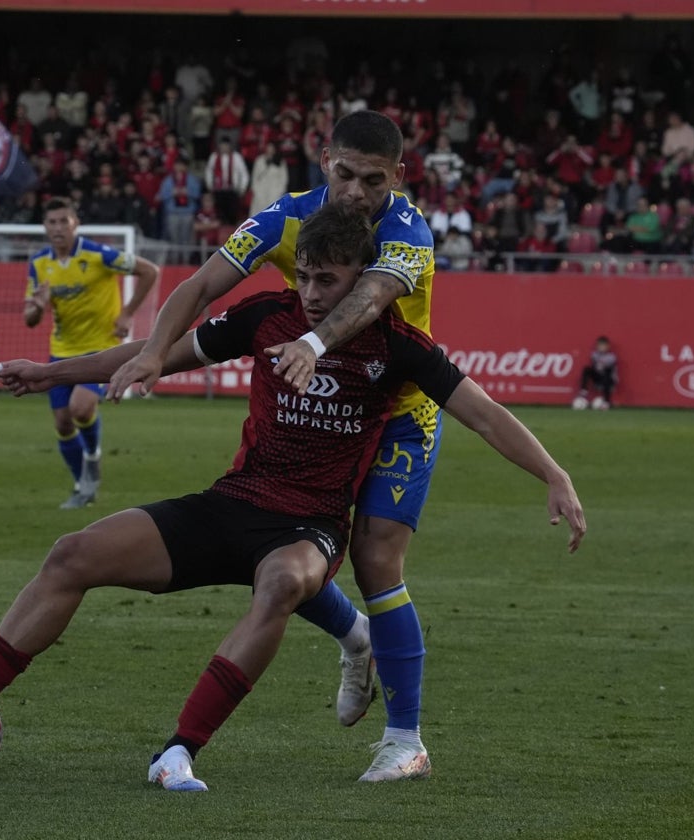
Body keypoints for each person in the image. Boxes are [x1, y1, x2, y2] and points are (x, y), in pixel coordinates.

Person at [0, 204, 587, 792]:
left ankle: (178, 752)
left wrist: (554, 474)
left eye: (328, 280)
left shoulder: (399, 345)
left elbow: (484, 411)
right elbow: (157, 355)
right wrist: (54, 373)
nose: (310, 293)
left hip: (309, 524)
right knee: (72, 554)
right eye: (304, 276)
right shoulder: (265, 316)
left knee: (283, 584)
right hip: (232, 501)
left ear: (363, 278)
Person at [105, 110, 446, 781]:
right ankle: (356, 639)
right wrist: (150, 353)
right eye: (343, 173)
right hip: (314, 396)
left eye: (371, 180)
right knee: (279, 539)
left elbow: (374, 297)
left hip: (397, 409)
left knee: (378, 560)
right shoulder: (286, 216)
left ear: (399, 177)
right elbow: (204, 285)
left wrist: (313, 343)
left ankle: (405, 742)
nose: (354, 191)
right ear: (323, 159)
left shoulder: (407, 231)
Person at [24, 197, 160, 509]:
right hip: (61, 350)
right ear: (45, 227)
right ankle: (81, 486)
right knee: (62, 423)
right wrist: (39, 305)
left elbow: (149, 271)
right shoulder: (39, 264)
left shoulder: (98, 254)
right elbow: (29, 320)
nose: (58, 228)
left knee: (81, 408)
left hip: (102, 349)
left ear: (76, 224)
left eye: (64, 221)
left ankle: (93, 457)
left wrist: (127, 313)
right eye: (52, 222)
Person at [573, 336, 618, 409]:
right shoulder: (595, 355)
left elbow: (609, 369)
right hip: (598, 377)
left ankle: (607, 401)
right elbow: (596, 367)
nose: (601, 347)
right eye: (600, 345)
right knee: (587, 369)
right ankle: (584, 391)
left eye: (603, 345)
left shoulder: (611, 357)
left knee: (607, 373)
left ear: (607, 346)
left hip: (608, 379)